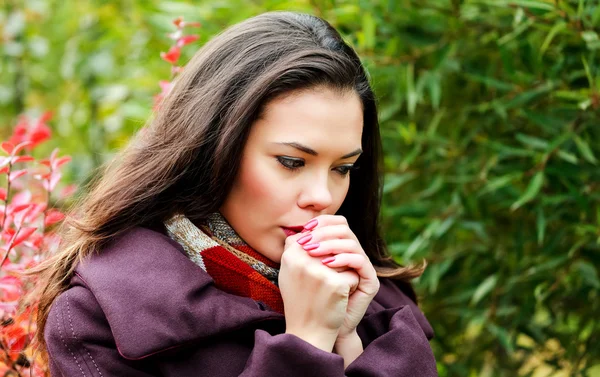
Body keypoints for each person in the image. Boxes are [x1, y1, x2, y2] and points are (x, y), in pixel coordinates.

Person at [34, 11, 438, 376]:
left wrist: (349, 343)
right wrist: (306, 343)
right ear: (214, 149)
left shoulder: (378, 298)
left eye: (342, 168)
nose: (322, 196)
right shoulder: (103, 318)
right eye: (292, 162)